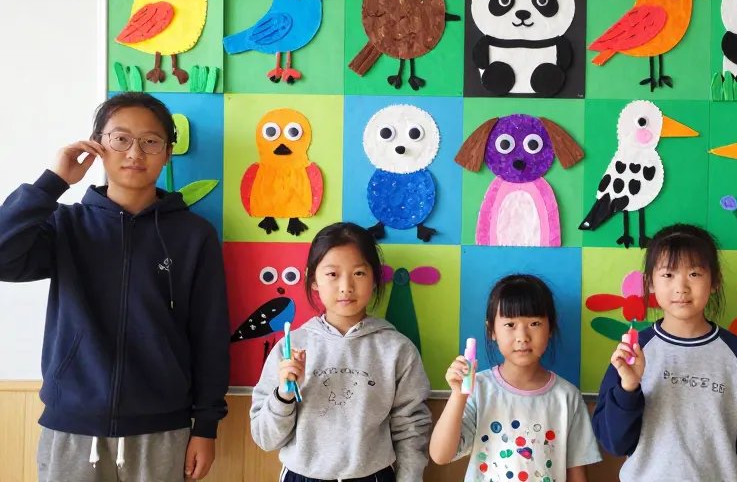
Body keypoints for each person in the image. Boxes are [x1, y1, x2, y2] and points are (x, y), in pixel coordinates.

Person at [0, 92, 229, 481]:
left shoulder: (194, 235)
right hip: (72, 426)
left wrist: (205, 426)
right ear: (97, 145)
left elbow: (209, 334)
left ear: (168, 152)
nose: (134, 153)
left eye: (150, 141)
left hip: (162, 429)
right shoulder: (66, 225)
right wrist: (52, 182)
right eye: (120, 139)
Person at [593, 224, 737, 481]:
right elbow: (613, 443)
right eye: (668, 275)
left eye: (694, 274)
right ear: (650, 283)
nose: (681, 287)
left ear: (714, 281)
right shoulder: (634, 351)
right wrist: (629, 387)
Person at [250, 222, 432, 482]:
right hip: (302, 476)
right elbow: (265, 439)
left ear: (374, 278)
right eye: (332, 274)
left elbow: (411, 429)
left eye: (358, 273)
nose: (346, 286)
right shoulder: (291, 347)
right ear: (313, 279)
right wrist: (284, 396)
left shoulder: (397, 349)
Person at [430, 274, 602, 481]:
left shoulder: (567, 397)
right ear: (492, 330)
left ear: (550, 328)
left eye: (535, 323)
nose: (522, 336)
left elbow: (576, 471)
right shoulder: (478, 388)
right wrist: (459, 394)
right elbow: (440, 455)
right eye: (510, 325)